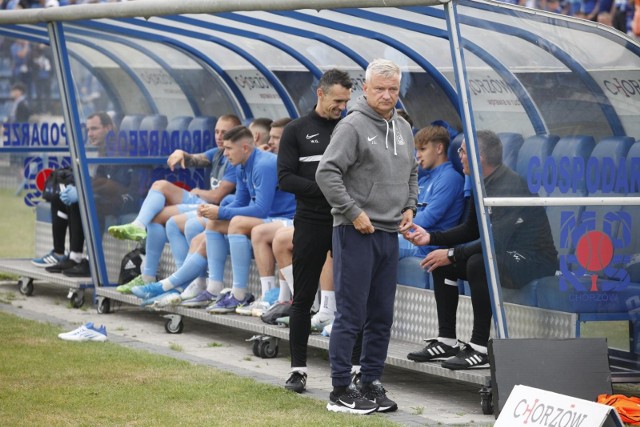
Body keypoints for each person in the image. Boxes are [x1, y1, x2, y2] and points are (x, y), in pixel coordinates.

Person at [404, 129, 558, 370]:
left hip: (534, 258)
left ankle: (480, 348)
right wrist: (431, 237)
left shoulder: (510, 185)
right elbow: (471, 229)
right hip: (502, 252)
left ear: (479, 157)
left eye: (463, 151)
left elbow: (495, 240)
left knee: (477, 262)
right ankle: (447, 341)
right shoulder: (480, 183)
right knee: (440, 259)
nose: (459, 155)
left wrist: (452, 254)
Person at [316, 59, 418, 414]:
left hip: (390, 233)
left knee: (381, 315)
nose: (387, 96)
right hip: (355, 231)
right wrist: (353, 212)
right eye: (380, 89)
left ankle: (370, 381)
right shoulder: (352, 126)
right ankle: (340, 389)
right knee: (351, 314)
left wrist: (410, 206)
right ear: (366, 89)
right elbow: (326, 173)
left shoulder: (403, 127)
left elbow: (412, 172)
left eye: (393, 90)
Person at [130, 126, 295, 311]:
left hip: (286, 219)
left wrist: (221, 212)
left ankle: (237, 294)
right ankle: (211, 287)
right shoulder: (241, 165)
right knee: (214, 224)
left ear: (245, 148)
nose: (224, 154)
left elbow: (262, 209)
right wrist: (214, 211)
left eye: (229, 149)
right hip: (267, 219)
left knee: (235, 223)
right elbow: (240, 202)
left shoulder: (264, 164)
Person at [276, 69, 353, 394]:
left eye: (347, 101)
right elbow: (286, 178)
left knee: (352, 299)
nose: (342, 107)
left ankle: (355, 370)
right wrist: (328, 190)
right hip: (311, 221)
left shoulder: (350, 127)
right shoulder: (297, 130)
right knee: (303, 298)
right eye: (338, 100)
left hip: (348, 221)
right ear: (320, 94)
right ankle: (298, 370)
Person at [109, 114, 240, 292]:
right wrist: (181, 153)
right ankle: (139, 229)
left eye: (224, 133)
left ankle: (168, 281)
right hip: (204, 203)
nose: (218, 136)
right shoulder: (217, 153)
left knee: (162, 218)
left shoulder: (235, 159)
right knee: (159, 187)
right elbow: (195, 158)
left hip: (217, 208)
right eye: (216, 131)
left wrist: (198, 191)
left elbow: (218, 197)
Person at [32, 112, 138, 276]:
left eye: (94, 129)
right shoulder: (105, 148)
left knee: (87, 200)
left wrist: (83, 190)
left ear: (108, 128)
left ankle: (91, 262)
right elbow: (102, 181)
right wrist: (79, 187)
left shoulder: (119, 146)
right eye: (88, 129)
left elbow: (118, 186)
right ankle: (68, 255)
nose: (90, 134)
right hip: (113, 195)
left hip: (129, 198)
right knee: (61, 196)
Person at [398, 125, 465, 287]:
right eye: (416, 150)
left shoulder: (450, 178)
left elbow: (427, 218)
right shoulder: (425, 179)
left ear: (439, 148)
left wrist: (391, 224)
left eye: (422, 149)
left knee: (377, 245)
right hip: (411, 239)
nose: (417, 155)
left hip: (427, 246)